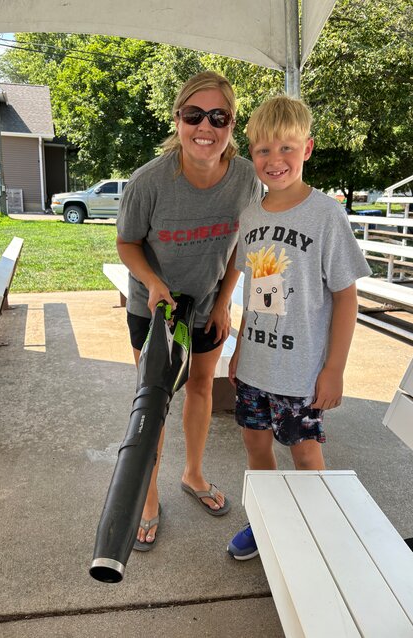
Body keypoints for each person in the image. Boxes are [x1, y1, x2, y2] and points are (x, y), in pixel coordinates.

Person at [116, 71, 262, 550]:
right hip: (155, 308)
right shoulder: (149, 181)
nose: (206, 126)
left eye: (218, 116)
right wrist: (155, 284)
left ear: (232, 123)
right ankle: (148, 494)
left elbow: (243, 244)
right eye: (194, 114)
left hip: (207, 305)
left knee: (201, 385)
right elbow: (127, 243)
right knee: (154, 401)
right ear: (177, 119)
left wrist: (224, 303)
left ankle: (194, 474)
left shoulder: (245, 178)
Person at [226, 95, 371, 560]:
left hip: (301, 372)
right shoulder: (250, 217)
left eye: (287, 148)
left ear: (307, 149)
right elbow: (260, 289)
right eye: (264, 150)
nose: (275, 160)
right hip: (254, 366)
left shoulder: (326, 215)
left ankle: (317, 533)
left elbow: (346, 296)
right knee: (255, 447)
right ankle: (266, 520)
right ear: (253, 156)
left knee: (305, 455)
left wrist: (334, 369)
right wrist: (239, 348)